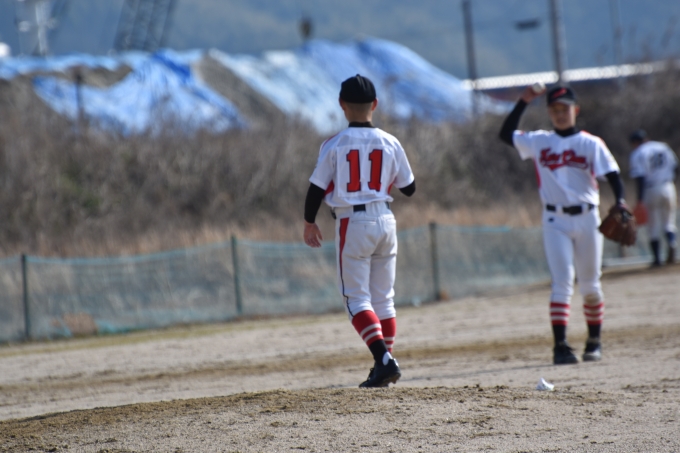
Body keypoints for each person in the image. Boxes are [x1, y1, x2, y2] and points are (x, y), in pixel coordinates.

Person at [499, 85, 626, 365]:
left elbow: (614, 176)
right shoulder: (539, 141)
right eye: (555, 109)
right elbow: (505, 134)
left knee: (591, 285)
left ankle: (594, 341)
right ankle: (560, 346)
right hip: (554, 220)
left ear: (575, 110)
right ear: (549, 112)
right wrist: (524, 101)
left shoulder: (591, 143)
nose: (560, 113)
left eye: (565, 108)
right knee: (562, 283)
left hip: (588, 218)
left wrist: (620, 201)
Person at [303, 74, 416, 387]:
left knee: (355, 299)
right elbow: (409, 188)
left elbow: (316, 189)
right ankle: (383, 366)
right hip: (386, 219)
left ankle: (384, 361)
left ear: (342, 105)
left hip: (353, 221)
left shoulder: (334, 144)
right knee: (384, 300)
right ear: (375, 104)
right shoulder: (391, 141)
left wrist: (309, 221)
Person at [628, 129, 678, 266]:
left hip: (651, 189)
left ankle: (657, 259)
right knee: (669, 221)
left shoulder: (638, 153)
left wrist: (639, 200)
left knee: (653, 225)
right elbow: (676, 167)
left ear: (635, 142)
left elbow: (640, 178)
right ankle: (672, 242)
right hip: (668, 186)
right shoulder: (663, 147)